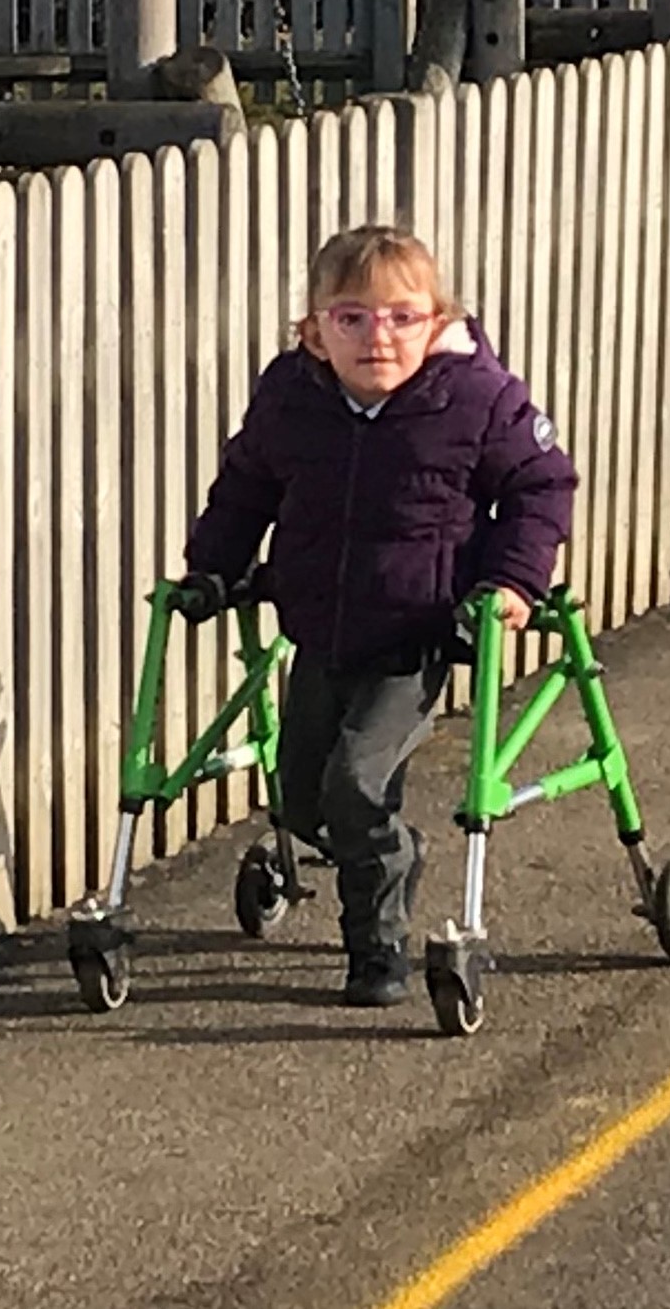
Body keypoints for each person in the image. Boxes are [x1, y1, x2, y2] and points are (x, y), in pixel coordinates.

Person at [176, 224, 575, 1007]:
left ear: (436, 321)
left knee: (357, 783)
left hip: (415, 630)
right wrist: (212, 568)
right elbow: (247, 481)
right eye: (351, 318)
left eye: (400, 316)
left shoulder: (474, 398)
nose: (377, 337)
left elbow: (539, 484)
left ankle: (376, 947)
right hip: (319, 624)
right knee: (296, 797)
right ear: (314, 333)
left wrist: (512, 582)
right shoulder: (293, 395)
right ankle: (389, 852)